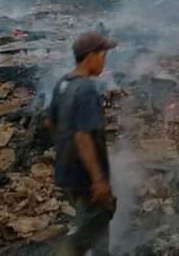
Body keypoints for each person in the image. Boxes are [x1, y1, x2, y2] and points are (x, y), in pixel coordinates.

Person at [49, 32, 118, 256]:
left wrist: (64, 154)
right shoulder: (86, 89)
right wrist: (98, 179)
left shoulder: (62, 84)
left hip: (67, 171)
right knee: (86, 230)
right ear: (90, 56)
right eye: (103, 55)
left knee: (98, 228)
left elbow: (51, 122)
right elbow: (82, 136)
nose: (104, 60)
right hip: (86, 176)